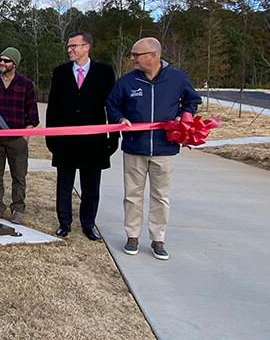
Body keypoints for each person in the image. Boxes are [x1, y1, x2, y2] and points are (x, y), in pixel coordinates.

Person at [106, 37, 201, 260]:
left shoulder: (178, 79)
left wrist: (184, 117)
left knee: (160, 196)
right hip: (134, 148)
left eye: (136, 55)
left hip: (165, 148)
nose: (132, 59)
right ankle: (132, 236)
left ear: (153, 55)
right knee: (133, 195)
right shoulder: (127, 82)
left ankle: (158, 239)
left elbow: (192, 100)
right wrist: (120, 119)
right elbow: (112, 104)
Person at [46, 31, 118, 241]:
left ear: (87, 47)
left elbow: (111, 106)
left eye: (74, 46)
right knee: (64, 186)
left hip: (93, 142)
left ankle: (88, 224)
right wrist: (51, 138)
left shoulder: (104, 72)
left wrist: (113, 137)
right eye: (69, 47)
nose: (70, 50)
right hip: (65, 142)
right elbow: (53, 107)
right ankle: (64, 223)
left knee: (91, 187)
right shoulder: (60, 72)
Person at [0, 47, 40, 225]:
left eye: (6, 60)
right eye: (0, 59)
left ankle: (18, 208)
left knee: (19, 175)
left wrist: (25, 137)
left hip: (17, 139)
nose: (1, 63)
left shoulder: (26, 84)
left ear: (14, 64)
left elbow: (32, 113)